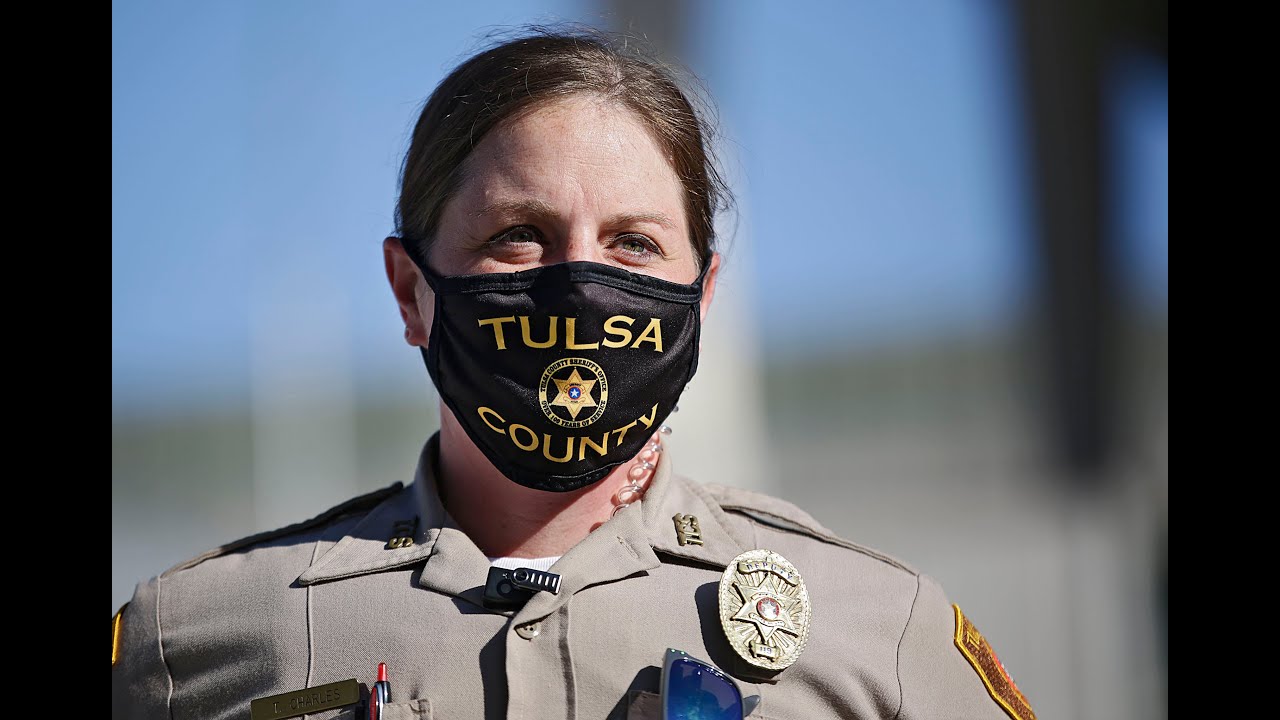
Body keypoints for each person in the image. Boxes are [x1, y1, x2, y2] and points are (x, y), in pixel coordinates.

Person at [112, 28, 1037, 720]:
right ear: (409, 291)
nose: (582, 287)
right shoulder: (187, 644)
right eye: (519, 235)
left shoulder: (878, 633)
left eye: (633, 243)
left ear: (702, 297)